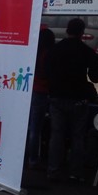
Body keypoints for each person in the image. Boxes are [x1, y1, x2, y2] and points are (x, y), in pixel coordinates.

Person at [47, 18, 98, 181]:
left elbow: (46, 71)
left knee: (56, 135)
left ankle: (53, 170)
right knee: (78, 136)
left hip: (57, 97)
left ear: (67, 30)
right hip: (79, 99)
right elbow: (96, 77)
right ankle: (75, 173)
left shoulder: (55, 50)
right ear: (82, 32)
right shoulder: (86, 51)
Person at [26, 28, 55, 169]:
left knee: (30, 127)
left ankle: (28, 157)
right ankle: (33, 159)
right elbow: (49, 74)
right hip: (42, 91)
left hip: (30, 90)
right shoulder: (48, 55)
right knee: (36, 128)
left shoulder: (33, 52)